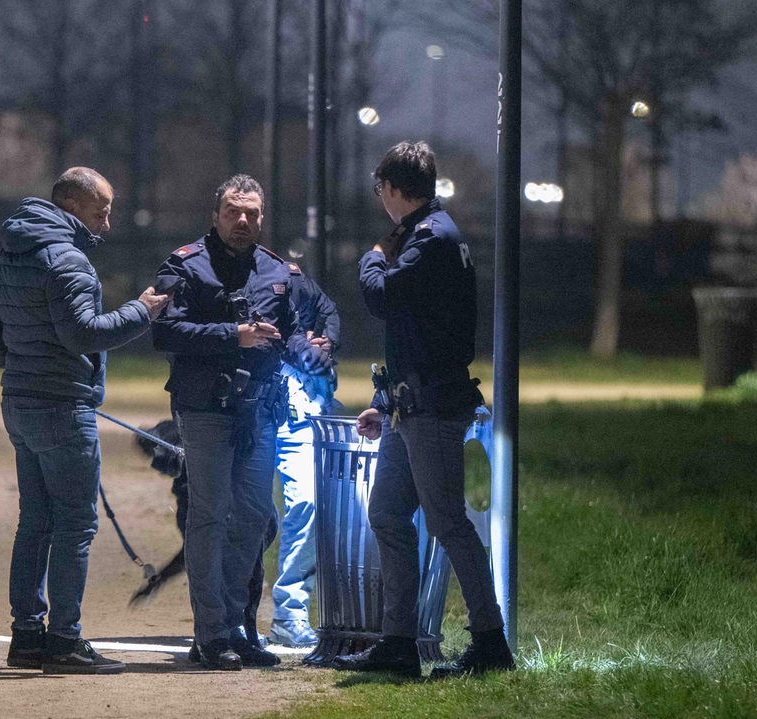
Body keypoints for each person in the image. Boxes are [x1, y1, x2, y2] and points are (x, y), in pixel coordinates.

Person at [0, 167, 169, 675]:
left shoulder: (13, 252)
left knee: (34, 522)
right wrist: (141, 312)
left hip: (21, 402)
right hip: (62, 407)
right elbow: (83, 334)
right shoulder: (67, 260)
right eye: (101, 211)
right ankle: (65, 641)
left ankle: (26, 635)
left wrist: (13, 362)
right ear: (73, 206)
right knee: (75, 525)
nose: (107, 221)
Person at [336, 142, 515, 678]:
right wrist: (383, 400)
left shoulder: (430, 239)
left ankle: (489, 641)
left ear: (391, 188)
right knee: (388, 513)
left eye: (380, 190)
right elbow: (417, 330)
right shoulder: (431, 235)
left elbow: (383, 297)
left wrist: (371, 257)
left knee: (447, 523)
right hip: (409, 405)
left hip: (433, 406)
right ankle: (398, 641)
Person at [152, 174, 314, 670]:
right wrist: (233, 335)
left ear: (263, 217)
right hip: (204, 410)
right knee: (210, 514)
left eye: (252, 213)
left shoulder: (277, 272)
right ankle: (211, 633)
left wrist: (314, 346)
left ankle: (235, 627)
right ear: (215, 214)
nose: (243, 221)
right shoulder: (185, 265)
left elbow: (303, 325)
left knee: (252, 519)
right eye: (233, 212)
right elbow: (164, 331)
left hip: (260, 411)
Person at [267, 270, 340, 648]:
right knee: (249, 519)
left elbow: (329, 311)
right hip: (255, 415)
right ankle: (229, 621)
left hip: (302, 417)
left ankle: (289, 615)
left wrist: (327, 344)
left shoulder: (294, 279)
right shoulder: (238, 276)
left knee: (308, 504)